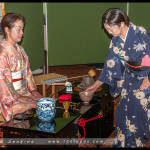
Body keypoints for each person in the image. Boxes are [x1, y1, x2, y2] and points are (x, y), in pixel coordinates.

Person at [85, 8, 150, 147]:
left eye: (110, 28)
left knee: (137, 112)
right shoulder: (116, 40)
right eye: (107, 29)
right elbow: (111, 64)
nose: (109, 32)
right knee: (121, 113)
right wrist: (97, 84)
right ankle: (122, 143)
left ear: (121, 24)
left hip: (146, 78)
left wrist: (149, 78)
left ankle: (136, 143)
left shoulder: (141, 33)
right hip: (130, 77)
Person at [0, 13, 42, 122]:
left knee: (44, 102)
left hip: (24, 93)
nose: (22, 33)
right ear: (7, 30)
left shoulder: (20, 49)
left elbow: (27, 72)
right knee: (38, 106)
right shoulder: (2, 53)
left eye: (22, 29)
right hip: (7, 99)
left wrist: (33, 90)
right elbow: (2, 81)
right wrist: (17, 97)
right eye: (18, 29)